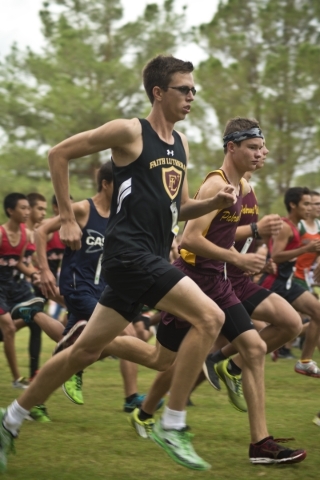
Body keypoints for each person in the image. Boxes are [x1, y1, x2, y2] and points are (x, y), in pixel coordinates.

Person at [0, 54, 237, 473]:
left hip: (142, 260)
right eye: (184, 89)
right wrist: (69, 219)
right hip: (129, 256)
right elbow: (58, 154)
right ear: (158, 92)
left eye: (194, 90)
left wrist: (214, 202)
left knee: (93, 352)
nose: (192, 97)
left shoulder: (180, 145)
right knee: (210, 317)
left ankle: (10, 420)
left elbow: (178, 207)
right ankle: (172, 422)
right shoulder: (129, 132)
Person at [129, 118, 306, 465]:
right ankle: (94, 346)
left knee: (255, 346)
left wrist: (251, 245)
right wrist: (238, 255)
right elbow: (189, 240)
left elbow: (227, 232)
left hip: (222, 281)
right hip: (193, 281)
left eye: (263, 147)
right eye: (254, 147)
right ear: (232, 147)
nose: (263, 153)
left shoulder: (244, 184)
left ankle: (260, 444)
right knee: (162, 359)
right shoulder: (215, 184)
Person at [33, 161, 156, 412]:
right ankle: (130, 398)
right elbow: (41, 231)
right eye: (121, 184)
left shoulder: (119, 216)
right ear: (105, 184)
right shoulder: (82, 209)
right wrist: (45, 270)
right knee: (126, 335)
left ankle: (35, 402)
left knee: (67, 344)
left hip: (103, 290)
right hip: (77, 287)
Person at [259, 187, 320, 376]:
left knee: (316, 313)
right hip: (275, 282)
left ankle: (304, 361)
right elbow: (276, 256)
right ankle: (223, 358)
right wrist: (305, 249)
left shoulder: (303, 226)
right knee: (261, 328)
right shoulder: (287, 226)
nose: (311, 208)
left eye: (313, 204)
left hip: (288, 282)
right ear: (293, 205)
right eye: (307, 204)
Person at [0, 193, 45, 390]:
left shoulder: (26, 235)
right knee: (9, 328)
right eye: (23, 208)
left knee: (36, 316)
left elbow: (18, 264)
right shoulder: (1, 235)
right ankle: (18, 379)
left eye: (29, 208)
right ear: (10, 211)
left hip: (13, 285)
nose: (27, 212)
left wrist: (36, 274)